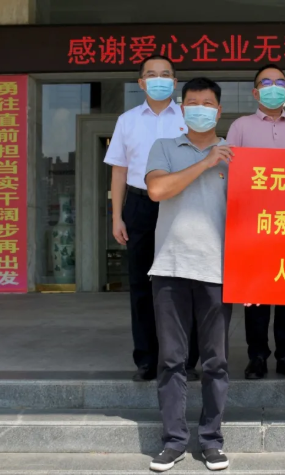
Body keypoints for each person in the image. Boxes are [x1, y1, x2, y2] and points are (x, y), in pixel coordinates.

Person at [145, 78, 232, 472]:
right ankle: (174, 441)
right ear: (182, 109)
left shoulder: (235, 153)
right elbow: (157, 190)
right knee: (171, 360)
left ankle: (211, 441)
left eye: (208, 103)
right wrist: (206, 162)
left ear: (219, 110)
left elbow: (254, 214)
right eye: (193, 102)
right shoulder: (164, 147)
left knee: (216, 361)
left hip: (218, 270)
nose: (200, 109)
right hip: (171, 266)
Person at [103, 54, 199, 382]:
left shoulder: (188, 118)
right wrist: (117, 217)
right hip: (140, 205)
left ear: (175, 82)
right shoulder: (127, 120)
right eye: (152, 74)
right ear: (141, 82)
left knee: (186, 281)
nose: (159, 79)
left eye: (166, 74)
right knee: (142, 286)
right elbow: (119, 171)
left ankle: (186, 359)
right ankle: (147, 359)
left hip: (182, 204)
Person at [227, 64, 285, 380]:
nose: (274, 87)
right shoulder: (240, 127)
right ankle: (257, 356)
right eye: (266, 82)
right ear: (255, 92)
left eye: (280, 83)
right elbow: (229, 175)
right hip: (254, 225)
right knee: (256, 295)